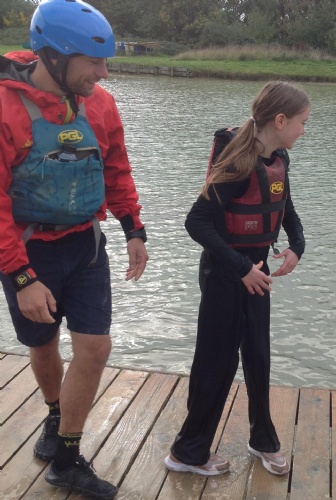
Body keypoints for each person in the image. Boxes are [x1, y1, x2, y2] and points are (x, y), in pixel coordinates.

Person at [0, 1, 148, 498]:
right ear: (54, 56)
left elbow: (116, 168)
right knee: (42, 344)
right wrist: (22, 277)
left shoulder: (100, 104)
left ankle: (66, 457)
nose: (103, 73)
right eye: (94, 61)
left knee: (95, 347)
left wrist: (133, 229)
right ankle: (54, 413)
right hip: (29, 252)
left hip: (85, 245)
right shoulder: (5, 109)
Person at [164, 81, 309, 476]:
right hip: (224, 272)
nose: (304, 130)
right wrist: (240, 268)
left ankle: (263, 439)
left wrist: (297, 245)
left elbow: (286, 207)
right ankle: (186, 453)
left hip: (257, 271)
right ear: (280, 120)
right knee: (218, 362)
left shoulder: (277, 158)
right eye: (302, 122)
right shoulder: (237, 162)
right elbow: (196, 222)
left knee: (258, 356)